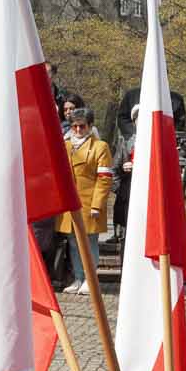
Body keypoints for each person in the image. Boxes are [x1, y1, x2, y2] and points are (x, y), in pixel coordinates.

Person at [57, 110, 113, 294]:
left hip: (89, 203)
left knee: (90, 242)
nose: (78, 130)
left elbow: (104, 179)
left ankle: (91, 279)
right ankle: (78, 277)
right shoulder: (64, 145)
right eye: (74, 126)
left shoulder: (100, 146)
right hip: (69, 204)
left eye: (82, 126)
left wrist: (97, 204)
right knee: (73, 243)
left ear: (90, 126)